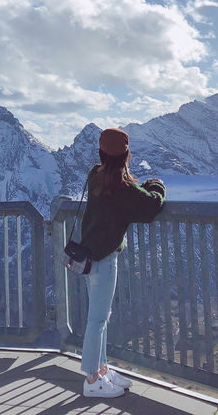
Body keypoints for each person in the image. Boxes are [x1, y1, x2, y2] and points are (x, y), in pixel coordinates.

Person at [79, 127, 165, 398]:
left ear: (101, 153)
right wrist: (156, 185)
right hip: (104, 259)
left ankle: (102, 369)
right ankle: (92, 380)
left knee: (101, 318)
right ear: (126, 154)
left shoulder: (96, 175)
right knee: (98, 320)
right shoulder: (122, 187)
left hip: (88, 257)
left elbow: (122, 192)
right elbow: (151, 205)